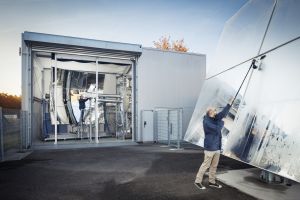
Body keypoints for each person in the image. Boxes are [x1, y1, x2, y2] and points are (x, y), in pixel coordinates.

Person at [194, 100, 232, 190]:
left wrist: (229, 104)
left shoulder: (214, 118)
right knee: (205, 165)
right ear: (210, 112)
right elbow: (217, 129)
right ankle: (197, 181)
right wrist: (222, 122)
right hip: (210, 147)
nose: (216, 112)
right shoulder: (207, 121)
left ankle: (212, 182)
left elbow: (223, 113)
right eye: (214, 111)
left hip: (217, 147)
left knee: (214, 166)